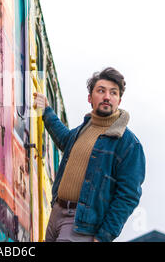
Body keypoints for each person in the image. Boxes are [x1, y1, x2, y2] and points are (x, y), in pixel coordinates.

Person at [33, 67, 145, 242]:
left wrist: (104, 236)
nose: (107, 96)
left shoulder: (128, 143)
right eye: (101, 91)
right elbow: (64, 140)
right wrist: (47, 111)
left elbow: (128, 196)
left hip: (82, 224)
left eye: (113, 93)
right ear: (90, 98)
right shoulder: (84, 129)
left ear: (119, 100)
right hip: (56, 215)